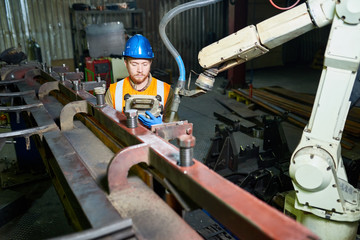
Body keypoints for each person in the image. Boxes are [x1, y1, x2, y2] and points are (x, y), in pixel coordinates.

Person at [105, 34, 176, 127]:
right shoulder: (113, 91)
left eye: (145, 64)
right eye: (134, 64)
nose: (140, 70)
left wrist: (162, 126)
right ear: (126, 63)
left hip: (155, 141)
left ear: (151, 63)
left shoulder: (165, 90)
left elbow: (174, 128)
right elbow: (105, 125)